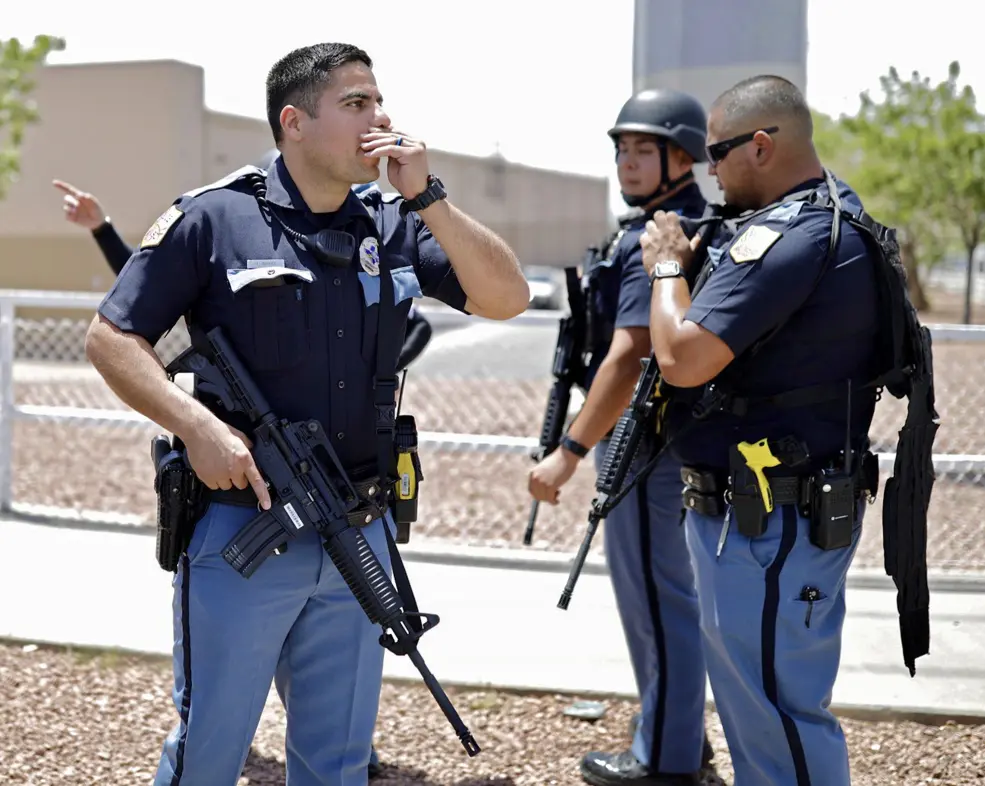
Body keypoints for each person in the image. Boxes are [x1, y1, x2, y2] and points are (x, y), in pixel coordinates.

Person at [83, 42, 529, 786]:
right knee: (211, 750)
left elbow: (507, 299)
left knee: (338, 762)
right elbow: (111, 336)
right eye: (357, 103)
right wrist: (196, 427)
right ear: (294, 121)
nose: (380, 119)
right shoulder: (215, 218)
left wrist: (430, 198)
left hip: (360, 527)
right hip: (243, 528)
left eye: (380, 101)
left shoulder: (395, 220)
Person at [639, 75, 882, 786]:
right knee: (759, 706)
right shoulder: (834, 216)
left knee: (777, 715)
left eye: (717, 151)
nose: (710, 168)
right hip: (770, 512)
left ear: (763, 145)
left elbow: (681, 358)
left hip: (771, 521)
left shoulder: (790, 234)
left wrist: (665, 267)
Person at [528, 88, 716, 786]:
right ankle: (678, 736)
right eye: (621, 149)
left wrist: (568, 452)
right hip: (667, 442)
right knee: (667, 597)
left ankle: (665, 760)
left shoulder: (663, 232)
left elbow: (630, 354)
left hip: (647, 444)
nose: (627, 162)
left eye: (644, 149)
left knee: (656, 598)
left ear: (681, 155)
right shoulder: (677, 221)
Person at [54, 172, 436, 374]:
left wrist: (376, 371)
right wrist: (101, 228)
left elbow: (420, 326)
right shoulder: (229, 231)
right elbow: (142, 289)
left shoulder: (364, 242)